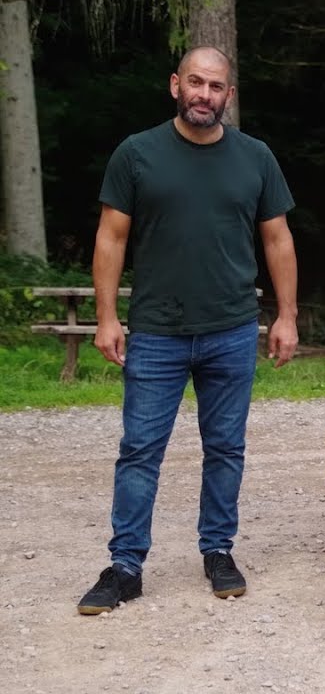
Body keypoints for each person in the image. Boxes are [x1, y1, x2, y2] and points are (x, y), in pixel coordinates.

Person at [76, 46, 298, 615]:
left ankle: (218, 550)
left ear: (229, 95)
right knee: (140, 449)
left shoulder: (255, 157)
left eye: (216, 86)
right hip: (156, 331)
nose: (204, 94)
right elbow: (111, 238)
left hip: (231, 329)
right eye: (195, 83)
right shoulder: (138, 154)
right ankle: (125, 565)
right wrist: (106, 317)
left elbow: (277, 239)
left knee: (225, 448)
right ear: (176, 85)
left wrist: (287, 316)